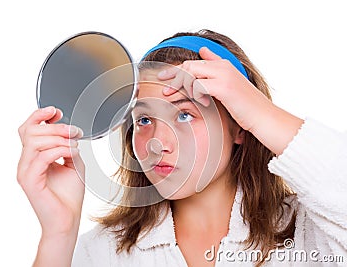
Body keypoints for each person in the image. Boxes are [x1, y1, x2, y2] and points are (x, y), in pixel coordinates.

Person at [17, 29, 347, 266]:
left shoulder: (307, 234)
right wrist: (58, 234)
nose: (158, 142)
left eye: (185, 114)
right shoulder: (105, 253)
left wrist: (264, 113)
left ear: (240, 127)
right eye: (144, 120)